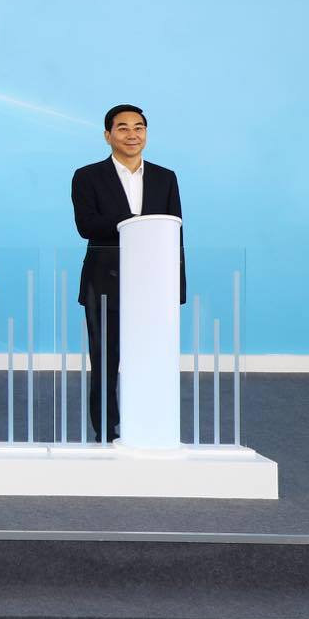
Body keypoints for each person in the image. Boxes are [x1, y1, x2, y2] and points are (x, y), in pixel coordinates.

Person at [71, 104, 185, 443]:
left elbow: (175, 234)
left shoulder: (165, 177)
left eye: (139, 128)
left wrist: (177, 286)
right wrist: (136, 222)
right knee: (105, 362)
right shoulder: (87, 176)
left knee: (150, 359)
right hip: (104, 283)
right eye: (123, 128)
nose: (132, 134)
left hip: (153, 285)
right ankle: (106, 432)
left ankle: (146, 426)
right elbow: (86, 225)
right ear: (108, 135)